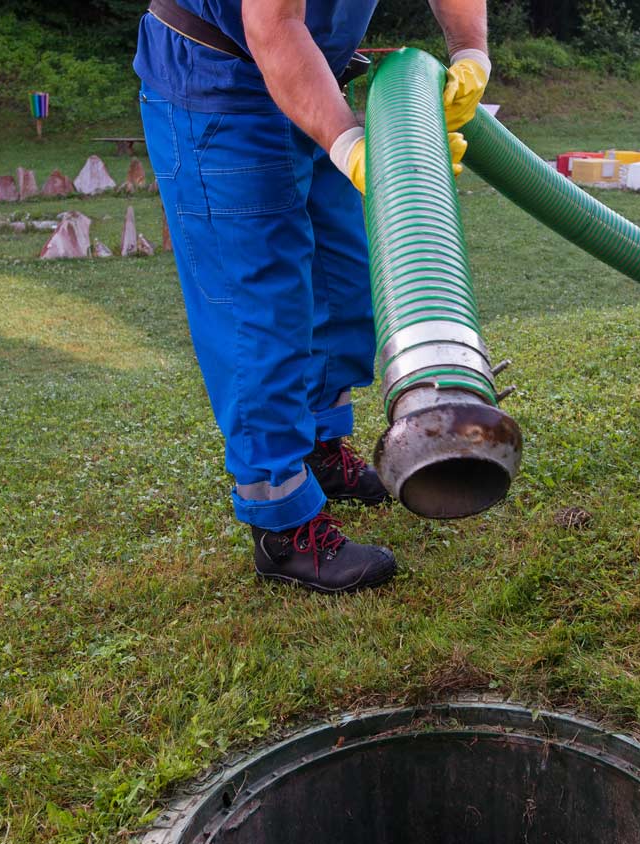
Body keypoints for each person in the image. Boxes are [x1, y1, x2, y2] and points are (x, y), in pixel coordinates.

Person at [134, 0, 490, 593]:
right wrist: (349, 144)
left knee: (343, 278)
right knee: (261, 313)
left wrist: (469, 52)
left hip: (316, 73)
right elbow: (273, 26)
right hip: (222, 85)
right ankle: (283, 525)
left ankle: (321, 446)